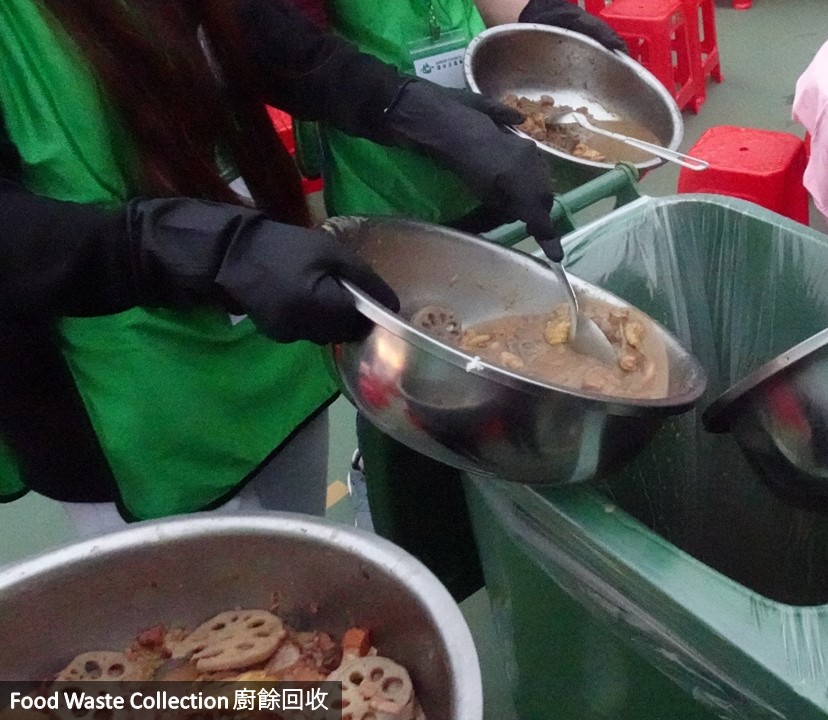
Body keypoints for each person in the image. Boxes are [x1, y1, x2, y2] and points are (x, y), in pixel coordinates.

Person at [0, 0, 561, 536]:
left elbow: (265, 39)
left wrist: (413, 110)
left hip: (265, 318)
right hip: (123, 394)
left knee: (302, 551)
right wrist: (211, 250)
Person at [293, 0, 626, 600]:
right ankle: (401, 528)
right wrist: (418, 111)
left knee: (508, 364)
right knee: (414, 402)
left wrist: (533, 15)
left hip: (486, 140)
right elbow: (285, 48)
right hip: (389, 171)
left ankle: (510, 541)